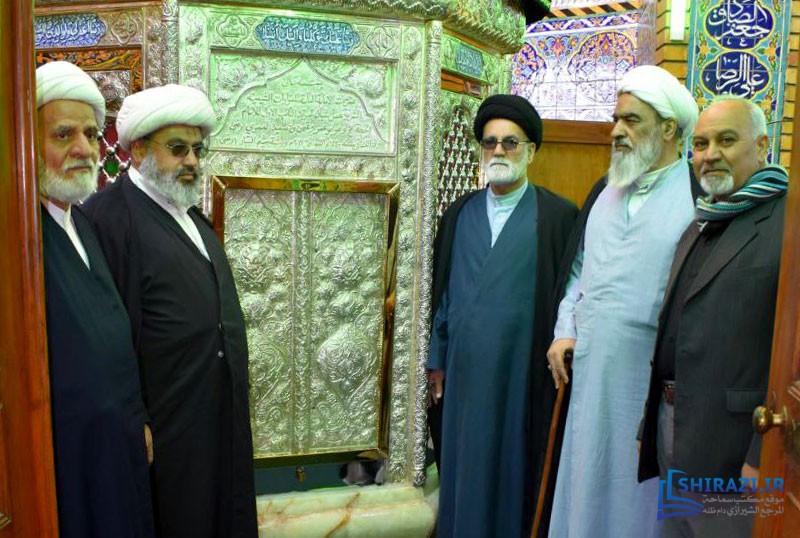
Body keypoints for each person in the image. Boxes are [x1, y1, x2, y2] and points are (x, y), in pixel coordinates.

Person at [83, 85, 257, 538]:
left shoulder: (190, 215)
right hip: (167, 427)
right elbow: (106, 335)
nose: (192, 161)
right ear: (140, 149)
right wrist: (135, 416)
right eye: (178, 149)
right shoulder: (109, 217)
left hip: (213, 415)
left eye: (197, 150)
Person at [545, 66, 702, 538]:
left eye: (631, 120)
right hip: (591, 372)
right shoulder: (604, 189)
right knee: (585, 482)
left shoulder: (698, 196)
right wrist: (564, 330)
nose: (616, 131)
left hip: (651, 383)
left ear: (669, 129)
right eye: (616, 119)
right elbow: (577, 274)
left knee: (640, 498)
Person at [428, 94, 578, 538]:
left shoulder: (559, 217)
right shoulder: (459, 214)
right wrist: (437, 360)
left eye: (510, 142)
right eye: (490, 142)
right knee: (466, 466)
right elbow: (442, 296)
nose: (498, 151)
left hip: (523, 375)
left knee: (515, 470)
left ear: (531, 151)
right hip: (464, 374)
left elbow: (572, 293)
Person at [637, 97, 786, 537]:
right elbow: (675, 332)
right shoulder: (701, 221)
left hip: (734, 449)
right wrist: (651, 423)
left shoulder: (787, 222)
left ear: (762, 146)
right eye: (700, 144)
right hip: (676, 433)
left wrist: (762, 453)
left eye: (726, 140)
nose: (710, 154)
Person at [36, 60, 155, 538]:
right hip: (68, 455)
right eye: (63, 135)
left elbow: (112, 335)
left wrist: (138, 418)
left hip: (116, 440)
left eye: (90, 134)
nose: (84, 149)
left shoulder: (82, 223)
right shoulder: (21, 236)